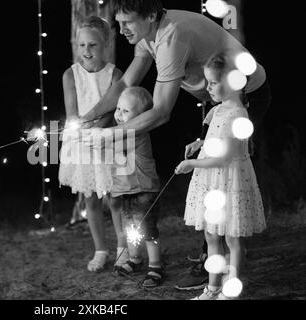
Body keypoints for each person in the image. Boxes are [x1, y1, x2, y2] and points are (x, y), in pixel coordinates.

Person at [81, 0, 271, 289]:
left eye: (127, 22)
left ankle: (219, 270)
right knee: (211, 177)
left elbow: (160, 112)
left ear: (151, 16)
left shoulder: (171, 38)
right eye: (118, 23)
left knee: (226, 177)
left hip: (247, 95)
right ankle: (213, 259)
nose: (120, 30)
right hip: (216, 100)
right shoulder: (148, 38)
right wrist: (92, 117)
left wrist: (108, 134)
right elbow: (122, 87)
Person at [174, 52, 266, 299]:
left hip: (229, 179)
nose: (208, 88)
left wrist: (192, 163)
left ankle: (230, 289)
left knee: (232, 238)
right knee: (211, 234)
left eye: (213, 83)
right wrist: (200, 143)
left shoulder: (237, 113)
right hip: (212, 180)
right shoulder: (219, 110)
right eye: (208, 82)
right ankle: (212, 288)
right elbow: (217, 139)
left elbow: (225, 156)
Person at [58, 16, 129, 272]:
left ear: (106, 44)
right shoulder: (70, 75)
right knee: (90, 198)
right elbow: (72, 113)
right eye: (82, 45)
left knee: (116, 197)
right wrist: (82, 133)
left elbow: (112, 109)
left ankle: (123, 245)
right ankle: (101, 249)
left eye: (93, 45)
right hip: (81, 143)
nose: (86, 51)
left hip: (108, 140)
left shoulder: (116, 74)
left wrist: (97, 131)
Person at [106, 87, 164, 288]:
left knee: (147, 230)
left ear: (141, 119)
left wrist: (91, 137)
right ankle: (135, 259)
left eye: (126, 111)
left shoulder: (136, 133)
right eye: (118, 109)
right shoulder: (119, 132)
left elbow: (112, 142)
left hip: (144, 190)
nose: (119, 114)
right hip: (126, 191)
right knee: (130, 229)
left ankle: (156, 266)